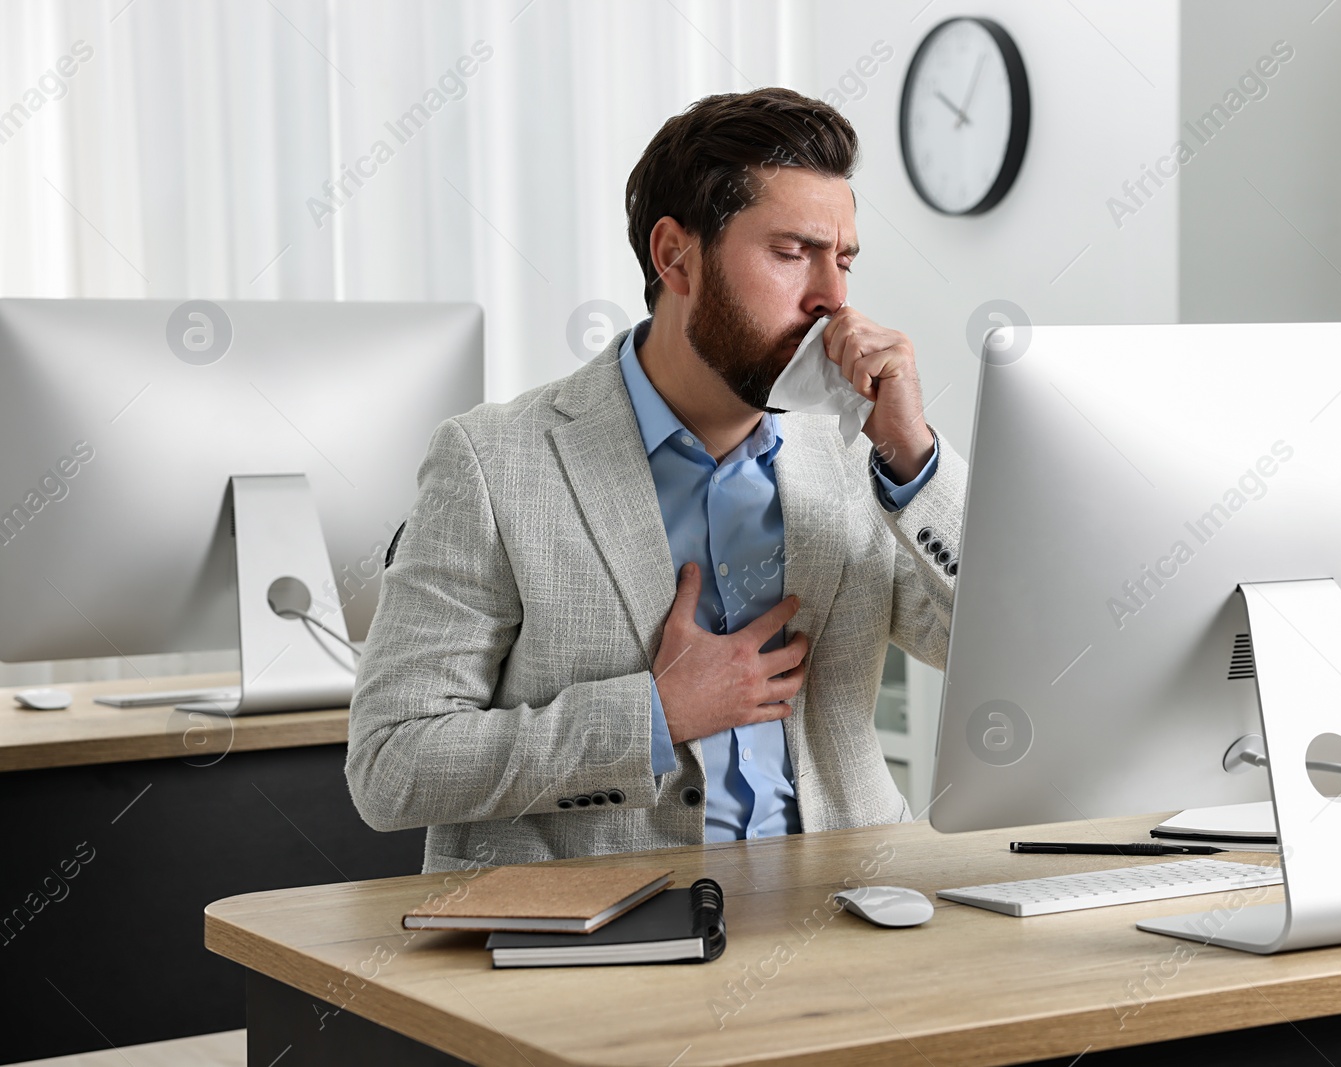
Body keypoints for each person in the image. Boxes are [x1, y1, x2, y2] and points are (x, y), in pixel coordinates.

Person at [346, 86, 967, 872]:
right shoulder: (494, 462)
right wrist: (652, 714)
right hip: (601, 948)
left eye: (842, 260)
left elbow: (996, 643)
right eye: (790, 253)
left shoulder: (860, 450)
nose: (833, 298)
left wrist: (914, 456)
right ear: (676, 255)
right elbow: (392, 764)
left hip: (846, 915)